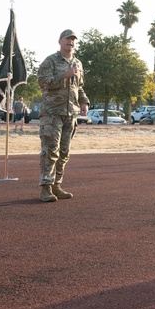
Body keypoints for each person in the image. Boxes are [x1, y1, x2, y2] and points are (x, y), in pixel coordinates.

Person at [37, 29, 89, 203]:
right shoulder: (50, 61)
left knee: (64, 152)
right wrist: (63, 75)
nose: (71, 42)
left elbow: (79, 87)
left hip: (70, 113)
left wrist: (84, 102)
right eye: (67, 39)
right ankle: (46, 187)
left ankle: (57, 185)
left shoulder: (77, 63)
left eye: (73, 40)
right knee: (50, 150)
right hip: (52, 113)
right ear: (60, 41)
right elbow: (42, 82)